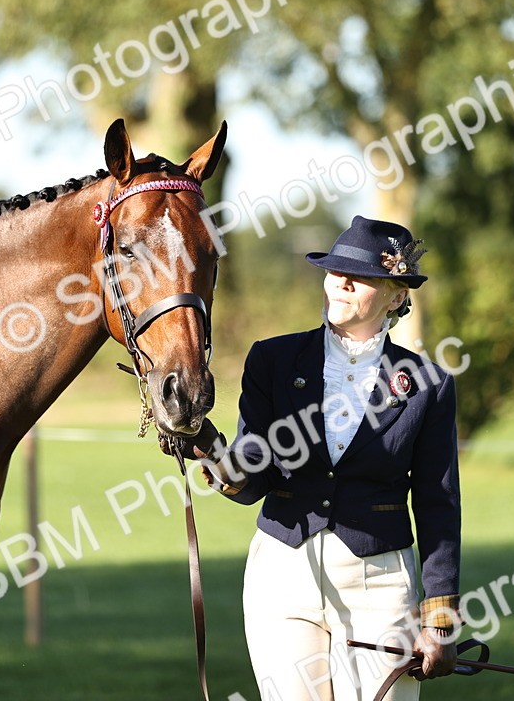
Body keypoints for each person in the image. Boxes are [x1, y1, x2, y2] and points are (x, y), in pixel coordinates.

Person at [175, 216, 461, 701]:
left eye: (361, 275)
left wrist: (440, 619)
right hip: (283, 574)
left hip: (380, 582)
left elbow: (437, 502)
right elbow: (255, 471)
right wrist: (209, 446)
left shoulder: (428, 384)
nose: (341, 281)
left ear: (395, 296)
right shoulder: (272, 360)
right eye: (334, 270)